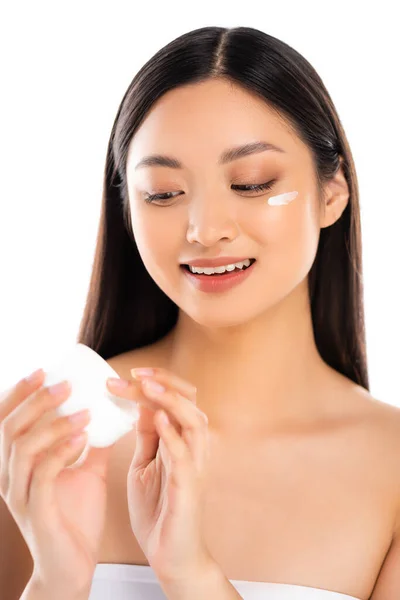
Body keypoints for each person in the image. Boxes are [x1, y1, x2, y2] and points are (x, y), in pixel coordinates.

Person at [1, 25, 399, 600]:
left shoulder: (390, 470)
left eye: (252, 183)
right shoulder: (50, 440)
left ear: (332, 192)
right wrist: (56, 579)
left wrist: (190, 574)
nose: (204, 230)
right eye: (163, 193)